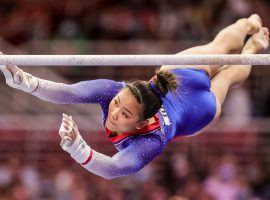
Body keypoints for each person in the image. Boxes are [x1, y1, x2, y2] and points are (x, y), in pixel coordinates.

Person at [0, 14, 269, 180]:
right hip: (197, 111)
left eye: (124, 113)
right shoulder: (142, 132)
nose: (115, 112)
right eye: (118, 105)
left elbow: (111, 169)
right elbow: (69, 93)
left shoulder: (147, 136)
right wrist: (25, 82)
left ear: (141, 123)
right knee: (228, 72)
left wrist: (76, 148)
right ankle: (252, 38)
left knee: (221, 50)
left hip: (182, 81)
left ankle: (248, 30)